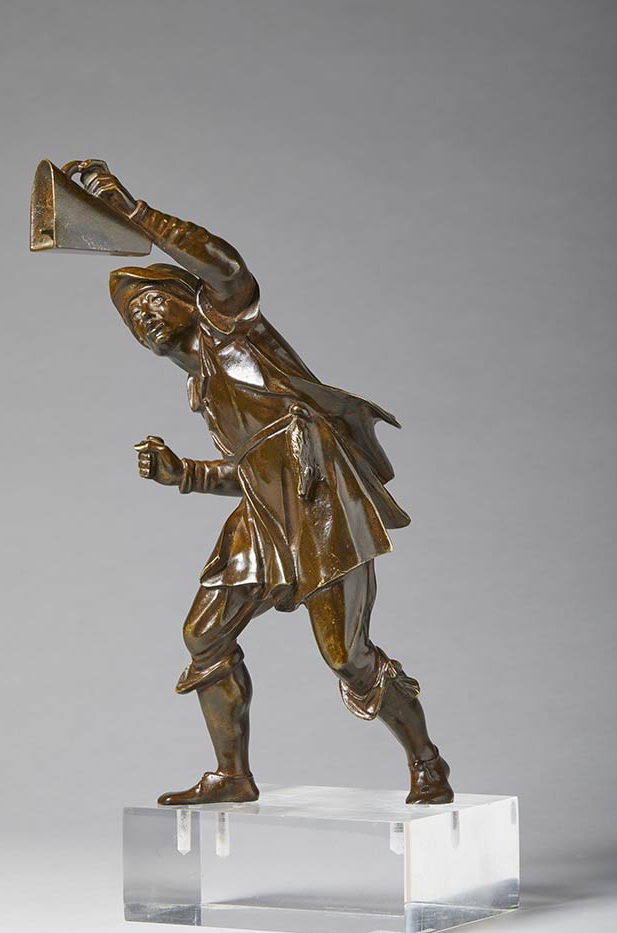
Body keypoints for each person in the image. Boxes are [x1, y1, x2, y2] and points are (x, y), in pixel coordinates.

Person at [73, 159, 454, 806]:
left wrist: (137, 215)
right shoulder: (202, 389)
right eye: (133, 319)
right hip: (263, 517)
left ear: (187, 298)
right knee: (205, 635)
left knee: (347, 657)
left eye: (151, 302)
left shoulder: (232, 327)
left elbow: (226, 266)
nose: (144, 320)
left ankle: (427, 760)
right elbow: (253, 472)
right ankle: (232, 774)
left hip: (320, 509)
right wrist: (184, 474)